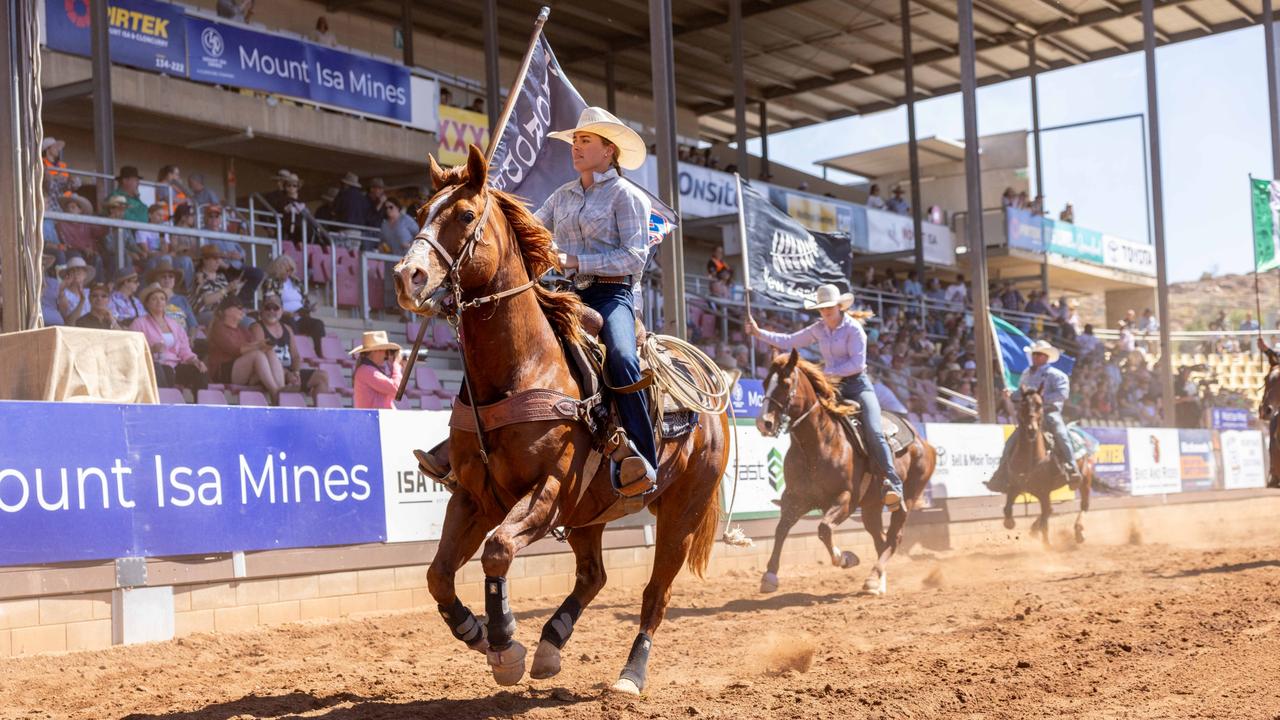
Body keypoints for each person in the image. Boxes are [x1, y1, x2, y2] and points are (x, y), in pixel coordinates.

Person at [746, 284, 907, 510]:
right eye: (822, 308)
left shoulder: (854, 330)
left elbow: (856, 365)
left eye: (829, 307)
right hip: (831, 387)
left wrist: (825, 373)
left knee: (874, 430)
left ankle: (893, 483)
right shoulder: (819, 328)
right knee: (806, 421)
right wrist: (758, 332)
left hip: (858, 386)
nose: (825, 312)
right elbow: (789, 340)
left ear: (839, 306)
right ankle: (798, 486)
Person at [986, 339, 1081, 493]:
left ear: (1046, 357)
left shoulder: (1057, 375)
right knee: (1010, 442)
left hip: (1049, 412)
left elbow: (1062, 394)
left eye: (1038, 354)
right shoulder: (1026, 374)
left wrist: (1039, 399)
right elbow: (1020, 393)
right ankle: (1001, 474)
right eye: (1034, 354)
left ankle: (1072, 468)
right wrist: (1011, 395)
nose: (1035, 357)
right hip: (1030, 415)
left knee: (1061, 435)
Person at [251, 294, 331, 400]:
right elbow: (262, 357)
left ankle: (320, 414)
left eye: (275, 308)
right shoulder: (257, 327)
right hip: (267, 374)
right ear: (262, 310)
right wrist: (288, 374)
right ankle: (280, 404)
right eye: (268, 308)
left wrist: (296, 373)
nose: (271, 311)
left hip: (288, 373)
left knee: (322, 376)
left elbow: (295, 356)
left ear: (282, 311)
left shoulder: (287, 329)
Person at [206, 295, 284, 403]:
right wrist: (258, 345)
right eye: (238, 307)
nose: (242, 310)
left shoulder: (242, 330)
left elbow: (253, 347)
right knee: (257, 355)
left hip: (242, 371)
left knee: (269, 352)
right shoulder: (219, 328)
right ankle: (274, 392)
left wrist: (264, 346)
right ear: (227, 311)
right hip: (222, 373)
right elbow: (236, 350)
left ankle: (281, 389)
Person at [133, 283, 208, 392]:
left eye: (162, 299)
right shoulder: (139, 323)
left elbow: (185, 351)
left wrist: (195, 360)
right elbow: (133, 349)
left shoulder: (175, 325)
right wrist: (151, 349)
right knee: (166, 370)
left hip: (175, 365)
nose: (159, 302)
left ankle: (201, 408)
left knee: (200, 371)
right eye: (154, 299)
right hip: (153, 366)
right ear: (147, 304)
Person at [350, 331, 403, 409]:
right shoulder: (367, 371)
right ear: (376, 351)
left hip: (375, 418)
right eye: (385, 351)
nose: (386, 355)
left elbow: (391, 394)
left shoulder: (366, 369)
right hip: (375, 419)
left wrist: (395, 367)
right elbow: (396, 389)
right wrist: (396, 365)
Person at [146, 259, 197, 331]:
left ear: (174, 280)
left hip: (183, 338)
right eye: (163, 276)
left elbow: (193, 325)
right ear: (156, 280)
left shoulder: (182, 300)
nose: (167, 279)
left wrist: (191, 338)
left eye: (171, 276)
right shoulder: (151, 300)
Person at [56, 256, 93, 325]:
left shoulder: (90, 292)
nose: (76, 272)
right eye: (72, 270)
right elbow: (65, 317)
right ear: (67, 275)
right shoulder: (64, 293)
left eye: (79, 269)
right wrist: (62, 291)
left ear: (85, 274)